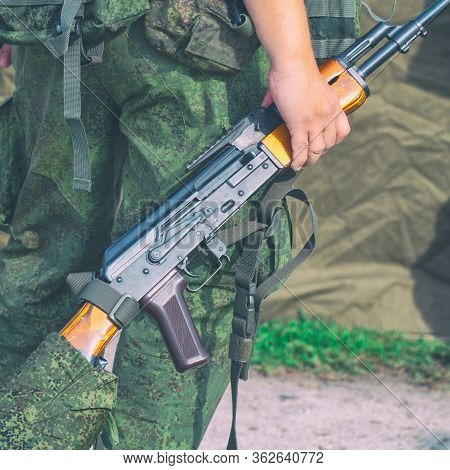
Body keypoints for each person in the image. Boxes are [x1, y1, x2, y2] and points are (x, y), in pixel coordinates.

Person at [0, 0, 353, 449]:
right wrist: (295, 63)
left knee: (45, 256)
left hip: (59, 29)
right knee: (195, 265)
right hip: (191, 41)